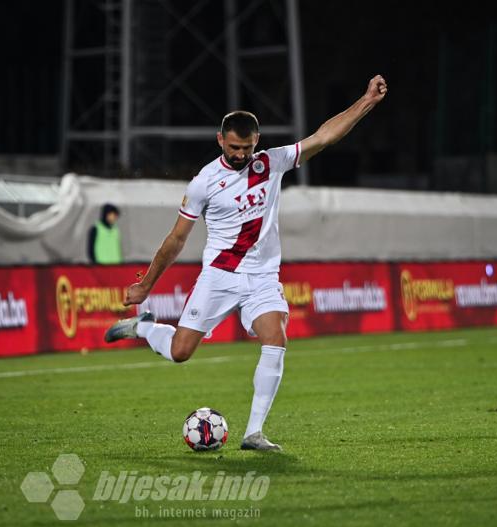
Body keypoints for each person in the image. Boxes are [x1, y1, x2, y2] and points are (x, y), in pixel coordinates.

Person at [104, 75, 388, 451]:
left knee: (276, 337)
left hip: (262, 277)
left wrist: (366, 101)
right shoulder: (204, 182)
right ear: (220, 140)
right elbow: (176, 239)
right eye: (235, 147)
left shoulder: (271, 163)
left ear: (258, 142)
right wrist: (146, 285)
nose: (241, 155)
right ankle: (144, 328)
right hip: (219, 276)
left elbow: (324, 137)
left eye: (248, 148)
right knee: (180, 352)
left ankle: (254, 432)